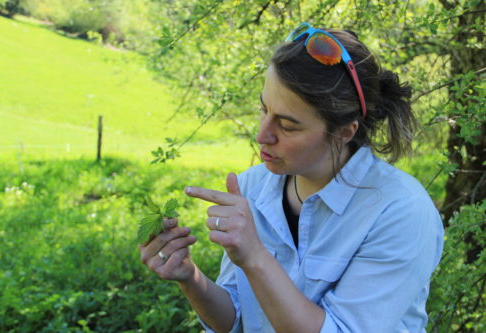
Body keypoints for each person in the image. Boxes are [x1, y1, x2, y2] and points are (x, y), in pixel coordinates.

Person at [139, 23, 444, 332]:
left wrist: (254, 255)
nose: (262, 135)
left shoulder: (400, 211)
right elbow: (238, 317)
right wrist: (189, 276)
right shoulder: (251, 188)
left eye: (286, 125)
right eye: (263, 109)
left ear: (343, 131)